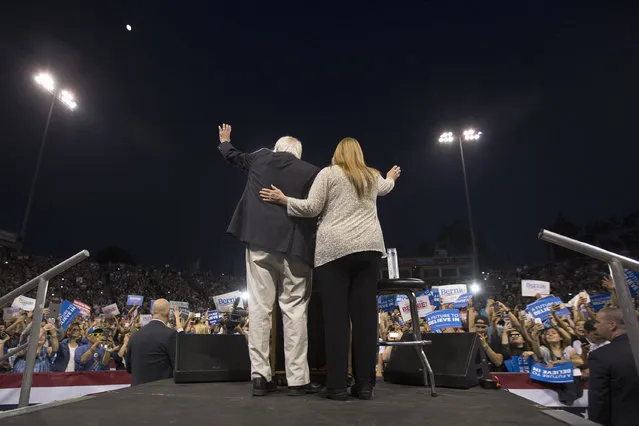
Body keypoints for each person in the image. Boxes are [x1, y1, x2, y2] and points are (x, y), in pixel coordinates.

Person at [260, 137, 400, 400]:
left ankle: (336, 386)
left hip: (334, 253)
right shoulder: (371, 175)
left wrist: (283, 199)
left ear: (337, 154)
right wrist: (391, 176)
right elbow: (386, 187)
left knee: (335, 321)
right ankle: (365, 385)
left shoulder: (328, 174)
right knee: (365, 321)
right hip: (369, 251)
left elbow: (311, 208)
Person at [218, 123, 321, 397]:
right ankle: (298, 380)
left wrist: (225, 141)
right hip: (295, 247)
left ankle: (260, 378)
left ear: (277, 149)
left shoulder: (261, 157)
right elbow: (317, 208)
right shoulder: (310, 171)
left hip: (259, 243)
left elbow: (234, 157)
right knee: (295, 310)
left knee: (260, 309)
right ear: (298, 154)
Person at [588, 307, 639, 426]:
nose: (595, 326)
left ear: (612, 325)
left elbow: (599, 399)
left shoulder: (601, 356)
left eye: (598, 322)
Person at [126, 299, 183, 386]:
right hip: (161, 393)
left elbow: (129, 368)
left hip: (136, 393)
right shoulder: (170, 335)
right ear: (168, 313)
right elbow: (179, 367)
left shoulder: (134, 336)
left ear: (152, 312)